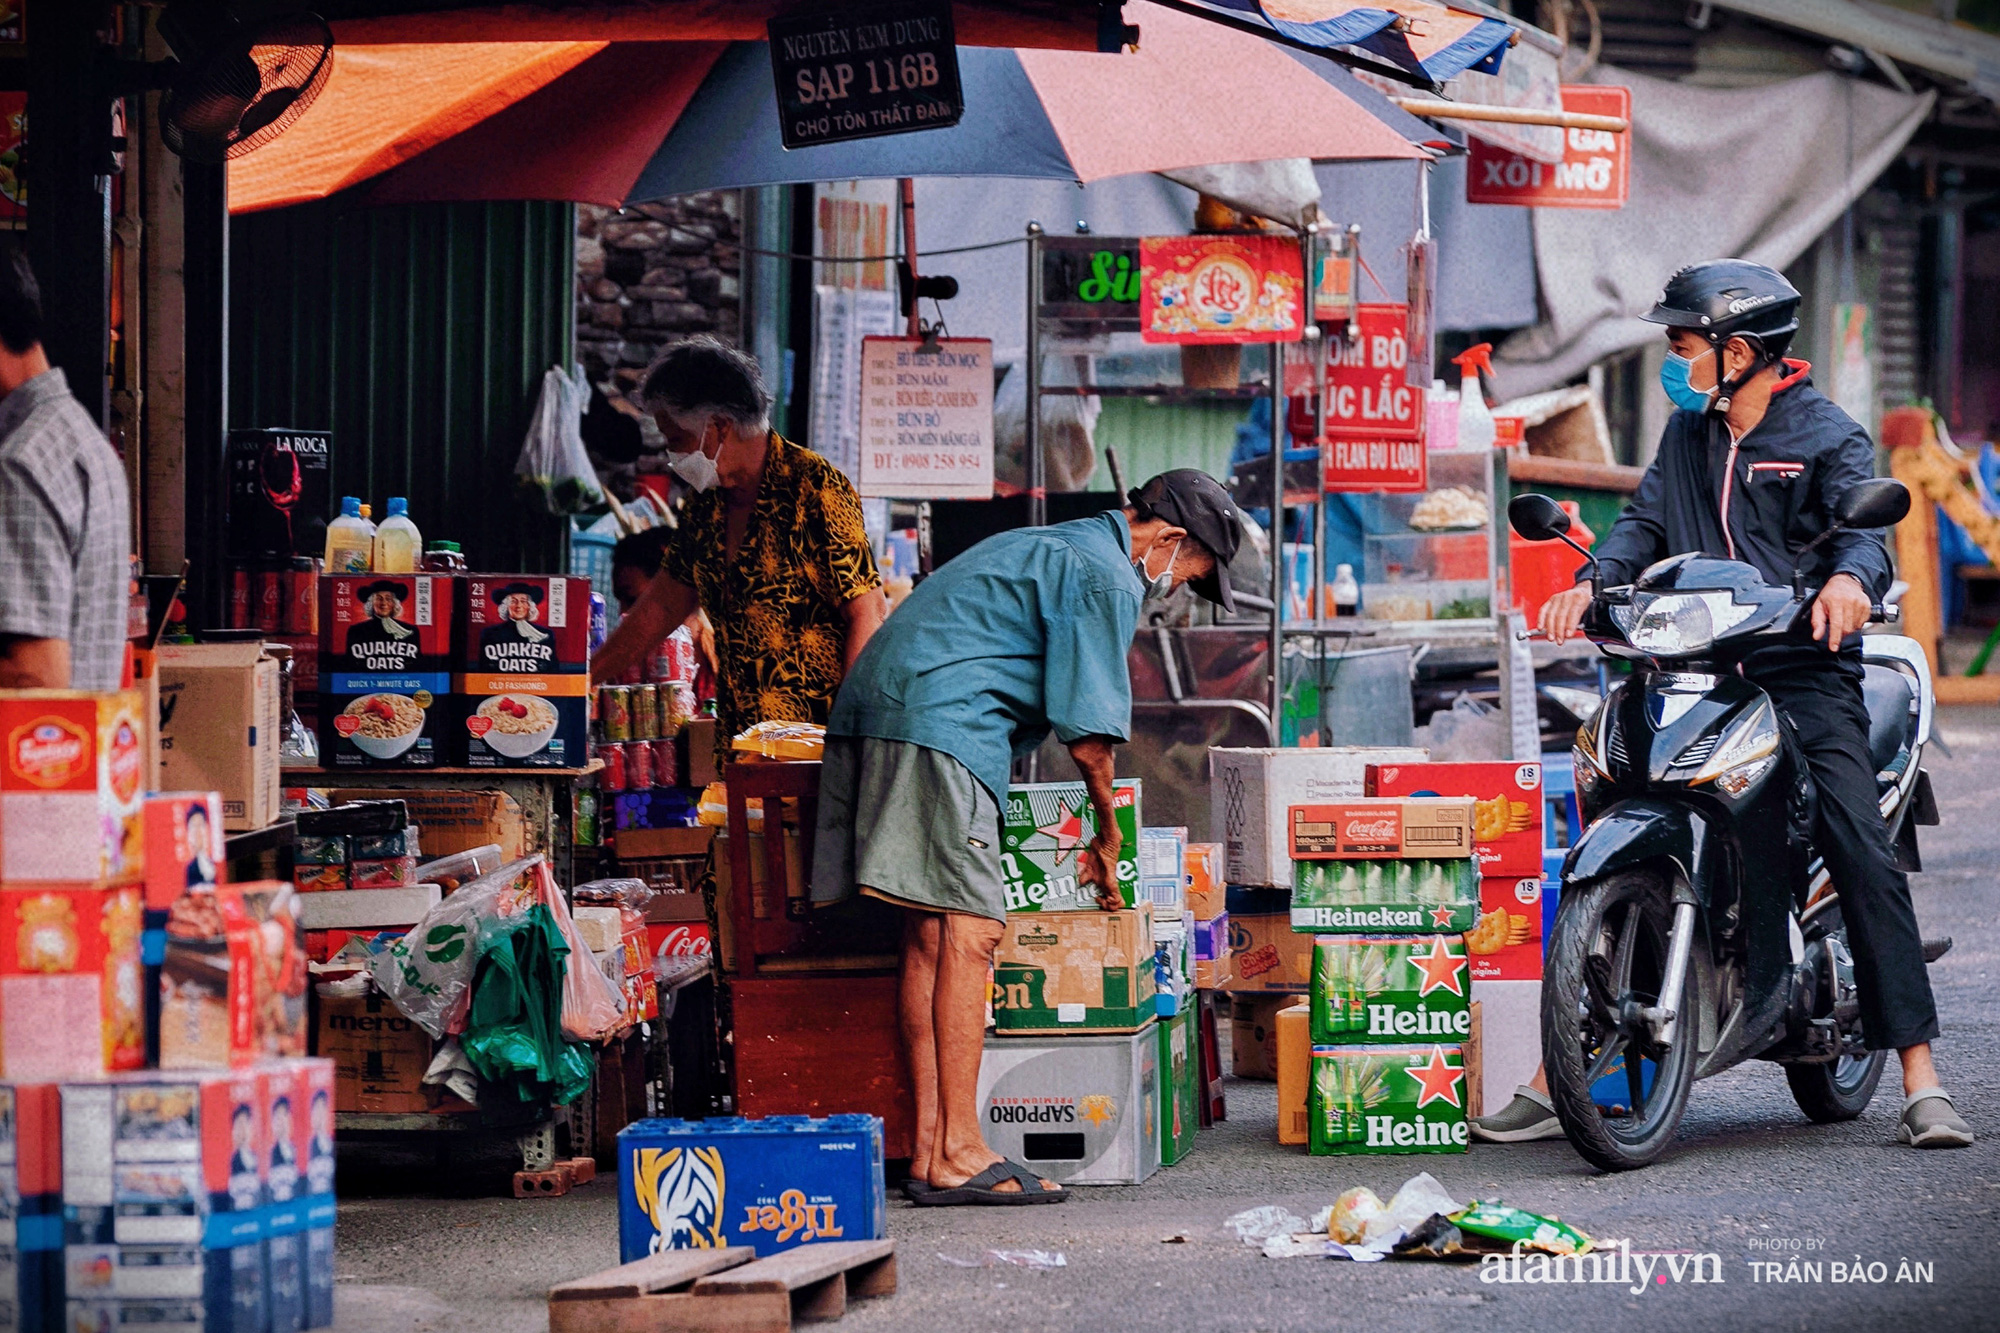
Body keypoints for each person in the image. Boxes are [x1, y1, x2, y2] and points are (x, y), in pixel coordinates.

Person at [1473, 259, 1971, 1150]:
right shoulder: (1689, 434)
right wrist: (1595, 583)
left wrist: (1852, 582)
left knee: (1859, 845)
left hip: (1800, 671)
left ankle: (1922, 1077)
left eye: (1683, 344)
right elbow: (1641, 528)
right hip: (1692, 664)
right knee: (1616, 787)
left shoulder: (1827, 436)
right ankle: (1561, 1069)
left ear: (1738, 351)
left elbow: (1866, 535)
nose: (1676, 358)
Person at [814, 470, 1244, 1204]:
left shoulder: (1068, 546)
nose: (1174, 589)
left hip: (891, 714)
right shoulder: (1103, 573)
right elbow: (1091, 738)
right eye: (1189, 573)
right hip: (940, 725)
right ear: (1170, 539)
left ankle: (929, 1147)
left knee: (930, 934)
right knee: (973, 932)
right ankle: (958, 1150)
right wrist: (1108, 836)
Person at [590, 337, 886, 764]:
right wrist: (588, 677)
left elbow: (867, 610)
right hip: (743, 747)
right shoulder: (706, 505)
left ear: (719, 428)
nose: (673, 455)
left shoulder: (814, 486)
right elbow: (663, 603)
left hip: (816, 752)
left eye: (677, 438)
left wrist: (849, 738)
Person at [0, 239, 130, 690]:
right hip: (80, 753)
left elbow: (34, 674)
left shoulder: (18, 463)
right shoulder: (80, 439)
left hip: (31, 756)